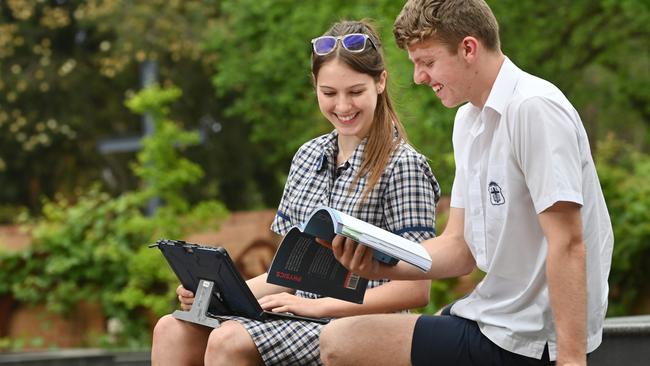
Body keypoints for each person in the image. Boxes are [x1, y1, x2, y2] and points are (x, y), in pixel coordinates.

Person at [320, 1, 614, 366]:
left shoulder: (534, 108)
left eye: (427, 62)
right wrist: (381, 267)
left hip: (531, 341)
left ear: (469, 48)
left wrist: (571, 360)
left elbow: (568, 243)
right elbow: (459, 248)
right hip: (492, 319)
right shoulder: (468, 121)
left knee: (340, 341)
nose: (418, 77)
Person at [151, 19, 441, 366]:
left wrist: (316, 306)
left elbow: (416, 289)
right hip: (299, 317)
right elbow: (286, 279)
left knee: (229, 341)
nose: (343, 106)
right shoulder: (307, 157)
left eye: (355, 91)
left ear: (380, 82)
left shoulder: (404, 165)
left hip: (363, 324)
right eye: (329, 93)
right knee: (171, 328)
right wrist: (212, 295)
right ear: (316, 88)